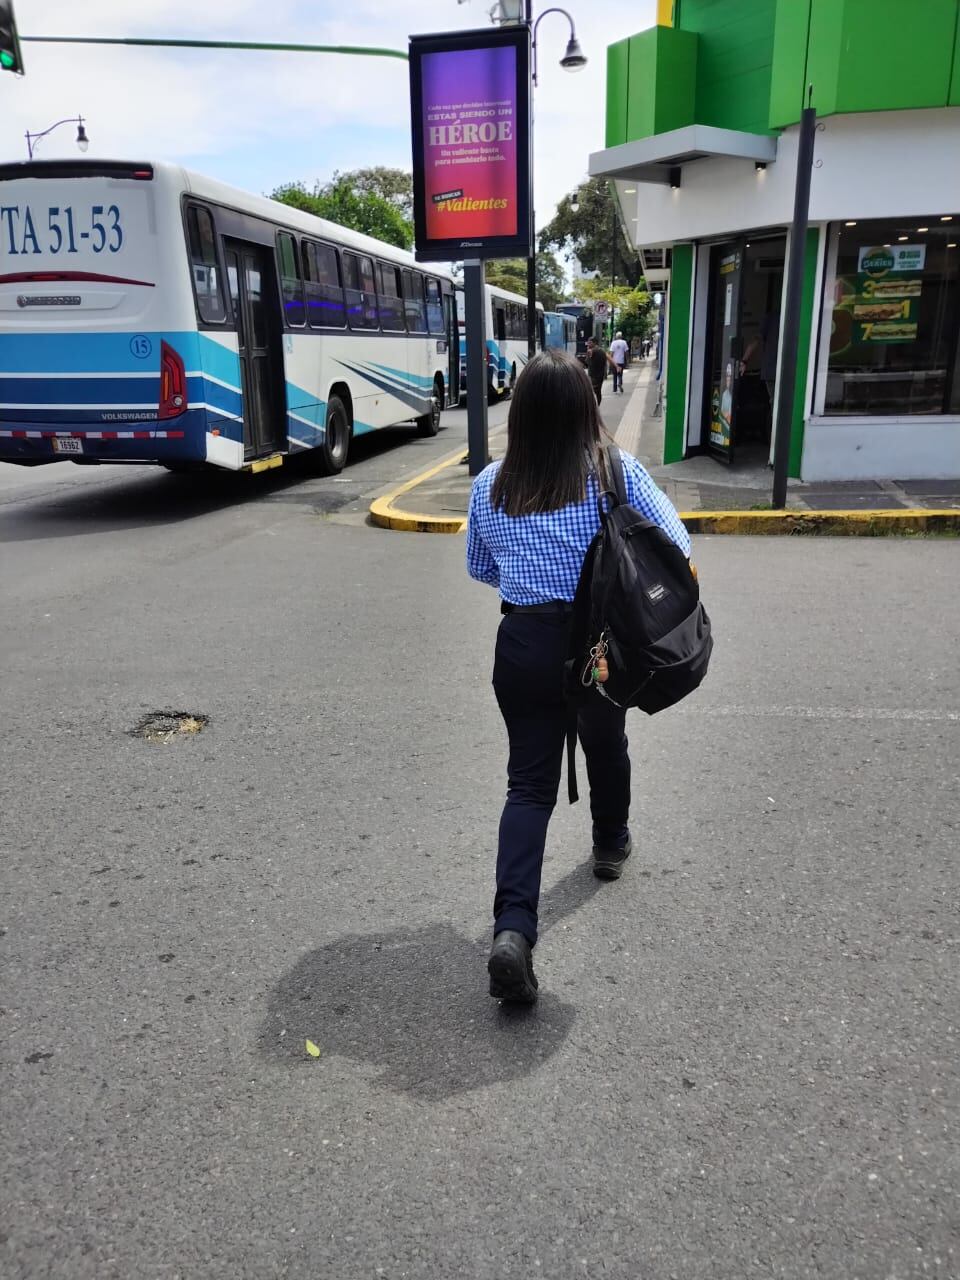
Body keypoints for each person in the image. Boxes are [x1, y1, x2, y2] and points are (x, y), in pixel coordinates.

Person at [466, 349, 692, 1004]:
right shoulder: (614, 471)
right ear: (586, 408)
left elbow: (481, 567)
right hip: (600, 645)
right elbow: (676, 544)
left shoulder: (491, 484)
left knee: (528, 785)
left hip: (524, 643)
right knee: (605, 742)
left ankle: (513, 930)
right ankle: (609, 842)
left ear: (522, 414)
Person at [584, 336, 617, 405]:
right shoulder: (602, 351)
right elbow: (609, 358)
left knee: (590, 391)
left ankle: (593, 406)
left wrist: (588, 353)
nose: (588, 344)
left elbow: (587, 362)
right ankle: (597, 405)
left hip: (593, 375)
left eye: (590, 343)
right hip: (601, 375)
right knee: (598, 391)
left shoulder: (591, 351)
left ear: (594, 343)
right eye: (588, 343)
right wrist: (616, 366)